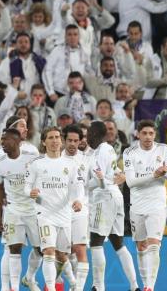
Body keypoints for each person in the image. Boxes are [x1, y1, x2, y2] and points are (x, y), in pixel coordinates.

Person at [24, 127, 82, 291]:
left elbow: (77, 186)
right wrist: (30, 192)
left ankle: (72, 283)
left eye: (57, 137)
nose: (55, 140)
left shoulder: (70, 164)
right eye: (50, 137)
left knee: (62, 256)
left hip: (64, 215)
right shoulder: (37, 164)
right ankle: (50, 287)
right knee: (49, 252)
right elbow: (26, 187)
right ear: (44, 141)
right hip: (44, 214)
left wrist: (77, 200)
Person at [123, 119, 167, 291]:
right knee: (141, 246)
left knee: (154, 243)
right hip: (137, 204)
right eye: (144, 133)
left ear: (155, 135)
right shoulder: (129, 152)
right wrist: (154, 175)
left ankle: (149, 287)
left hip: (157, 203)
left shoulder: (163, 149)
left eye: (151, 133)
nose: (148, 137)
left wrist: (164, 173)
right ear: (138, 134)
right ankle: (145, 282)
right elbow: (131, 182)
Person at [87, 121, 138, 291]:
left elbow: (99, 180)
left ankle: (98, 286)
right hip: (116, 195)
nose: (86, 135)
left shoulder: (100, 151)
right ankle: (134, 286)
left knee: (96, 241)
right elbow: (116, 174)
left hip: (104, 197)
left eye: (88, 132)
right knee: (118, 242)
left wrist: (81, 187)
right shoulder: (108, 149)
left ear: (94, 133)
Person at [0, 128, 42, 291]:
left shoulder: (32, 158)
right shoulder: (0, 163)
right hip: (13, 211)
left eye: (5, 139)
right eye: (1, 140)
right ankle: (14, 287)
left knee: (41, 249)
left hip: (33, 209)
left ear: (16, 141)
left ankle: (29, 277)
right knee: (14, 248)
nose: (2, 143)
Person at [61, 124, 90, 291]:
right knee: (63, 252)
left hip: (81, 209)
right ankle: (71, 283)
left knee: (80, 249)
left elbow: (91, 185)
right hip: (60, 211)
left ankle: (77, 289)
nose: (72, 144)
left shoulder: (86, 160)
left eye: (76, 141)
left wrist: (82, 201)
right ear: (64, 140)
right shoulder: (56, 159)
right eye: (69, 140)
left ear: (80, 141)